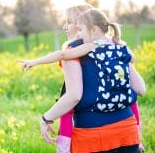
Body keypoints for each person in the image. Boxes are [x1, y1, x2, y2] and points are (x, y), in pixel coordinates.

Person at [21, 8, 146, 152]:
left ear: (93, 29)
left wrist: (46, 118)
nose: (77, 32)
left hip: (94, 137)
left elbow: (73, 95)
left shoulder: (86, 47)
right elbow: (141, 89)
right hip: (128, 133)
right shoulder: (119, 48)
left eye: (78, 27)